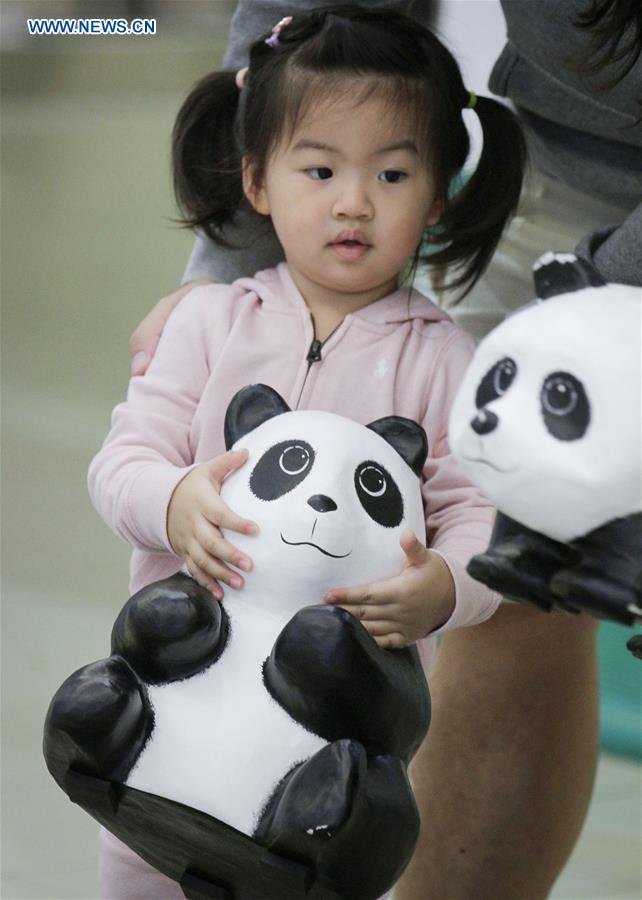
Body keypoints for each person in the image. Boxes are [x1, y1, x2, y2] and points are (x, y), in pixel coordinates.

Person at [127, 3, 640, 898]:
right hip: (169, 737)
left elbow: (485, 531)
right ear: (257, 176)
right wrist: (221, 275)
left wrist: (451, 585)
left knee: (542, 567)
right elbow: (126, 461)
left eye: (392, 176)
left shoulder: (445, 362)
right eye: (318, 170)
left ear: (436, 194)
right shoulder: (217, 328)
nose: (353, 203)